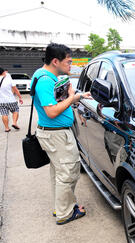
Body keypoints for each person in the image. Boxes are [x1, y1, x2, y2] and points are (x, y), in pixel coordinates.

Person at [32, 43, 91, 225]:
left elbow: (57, 100)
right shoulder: (45, 81)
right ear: (56, 61)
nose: (70, 65)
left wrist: (74, 95)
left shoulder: (47, 76)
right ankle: (65, 213)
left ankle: (61, 206)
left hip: (55, 133)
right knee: (68, 172)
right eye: (68, 62)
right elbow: (51, 111)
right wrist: (73, 98)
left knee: (59, 172)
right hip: (57, 135)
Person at [0, 67, 23, 132]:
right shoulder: (9, 79)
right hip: (11, 100)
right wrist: (20, 97)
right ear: (3, 72)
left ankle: (7, 128)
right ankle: (14, 123)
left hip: (1, 101)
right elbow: (15, 90)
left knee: (4, 114)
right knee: (15, 110)